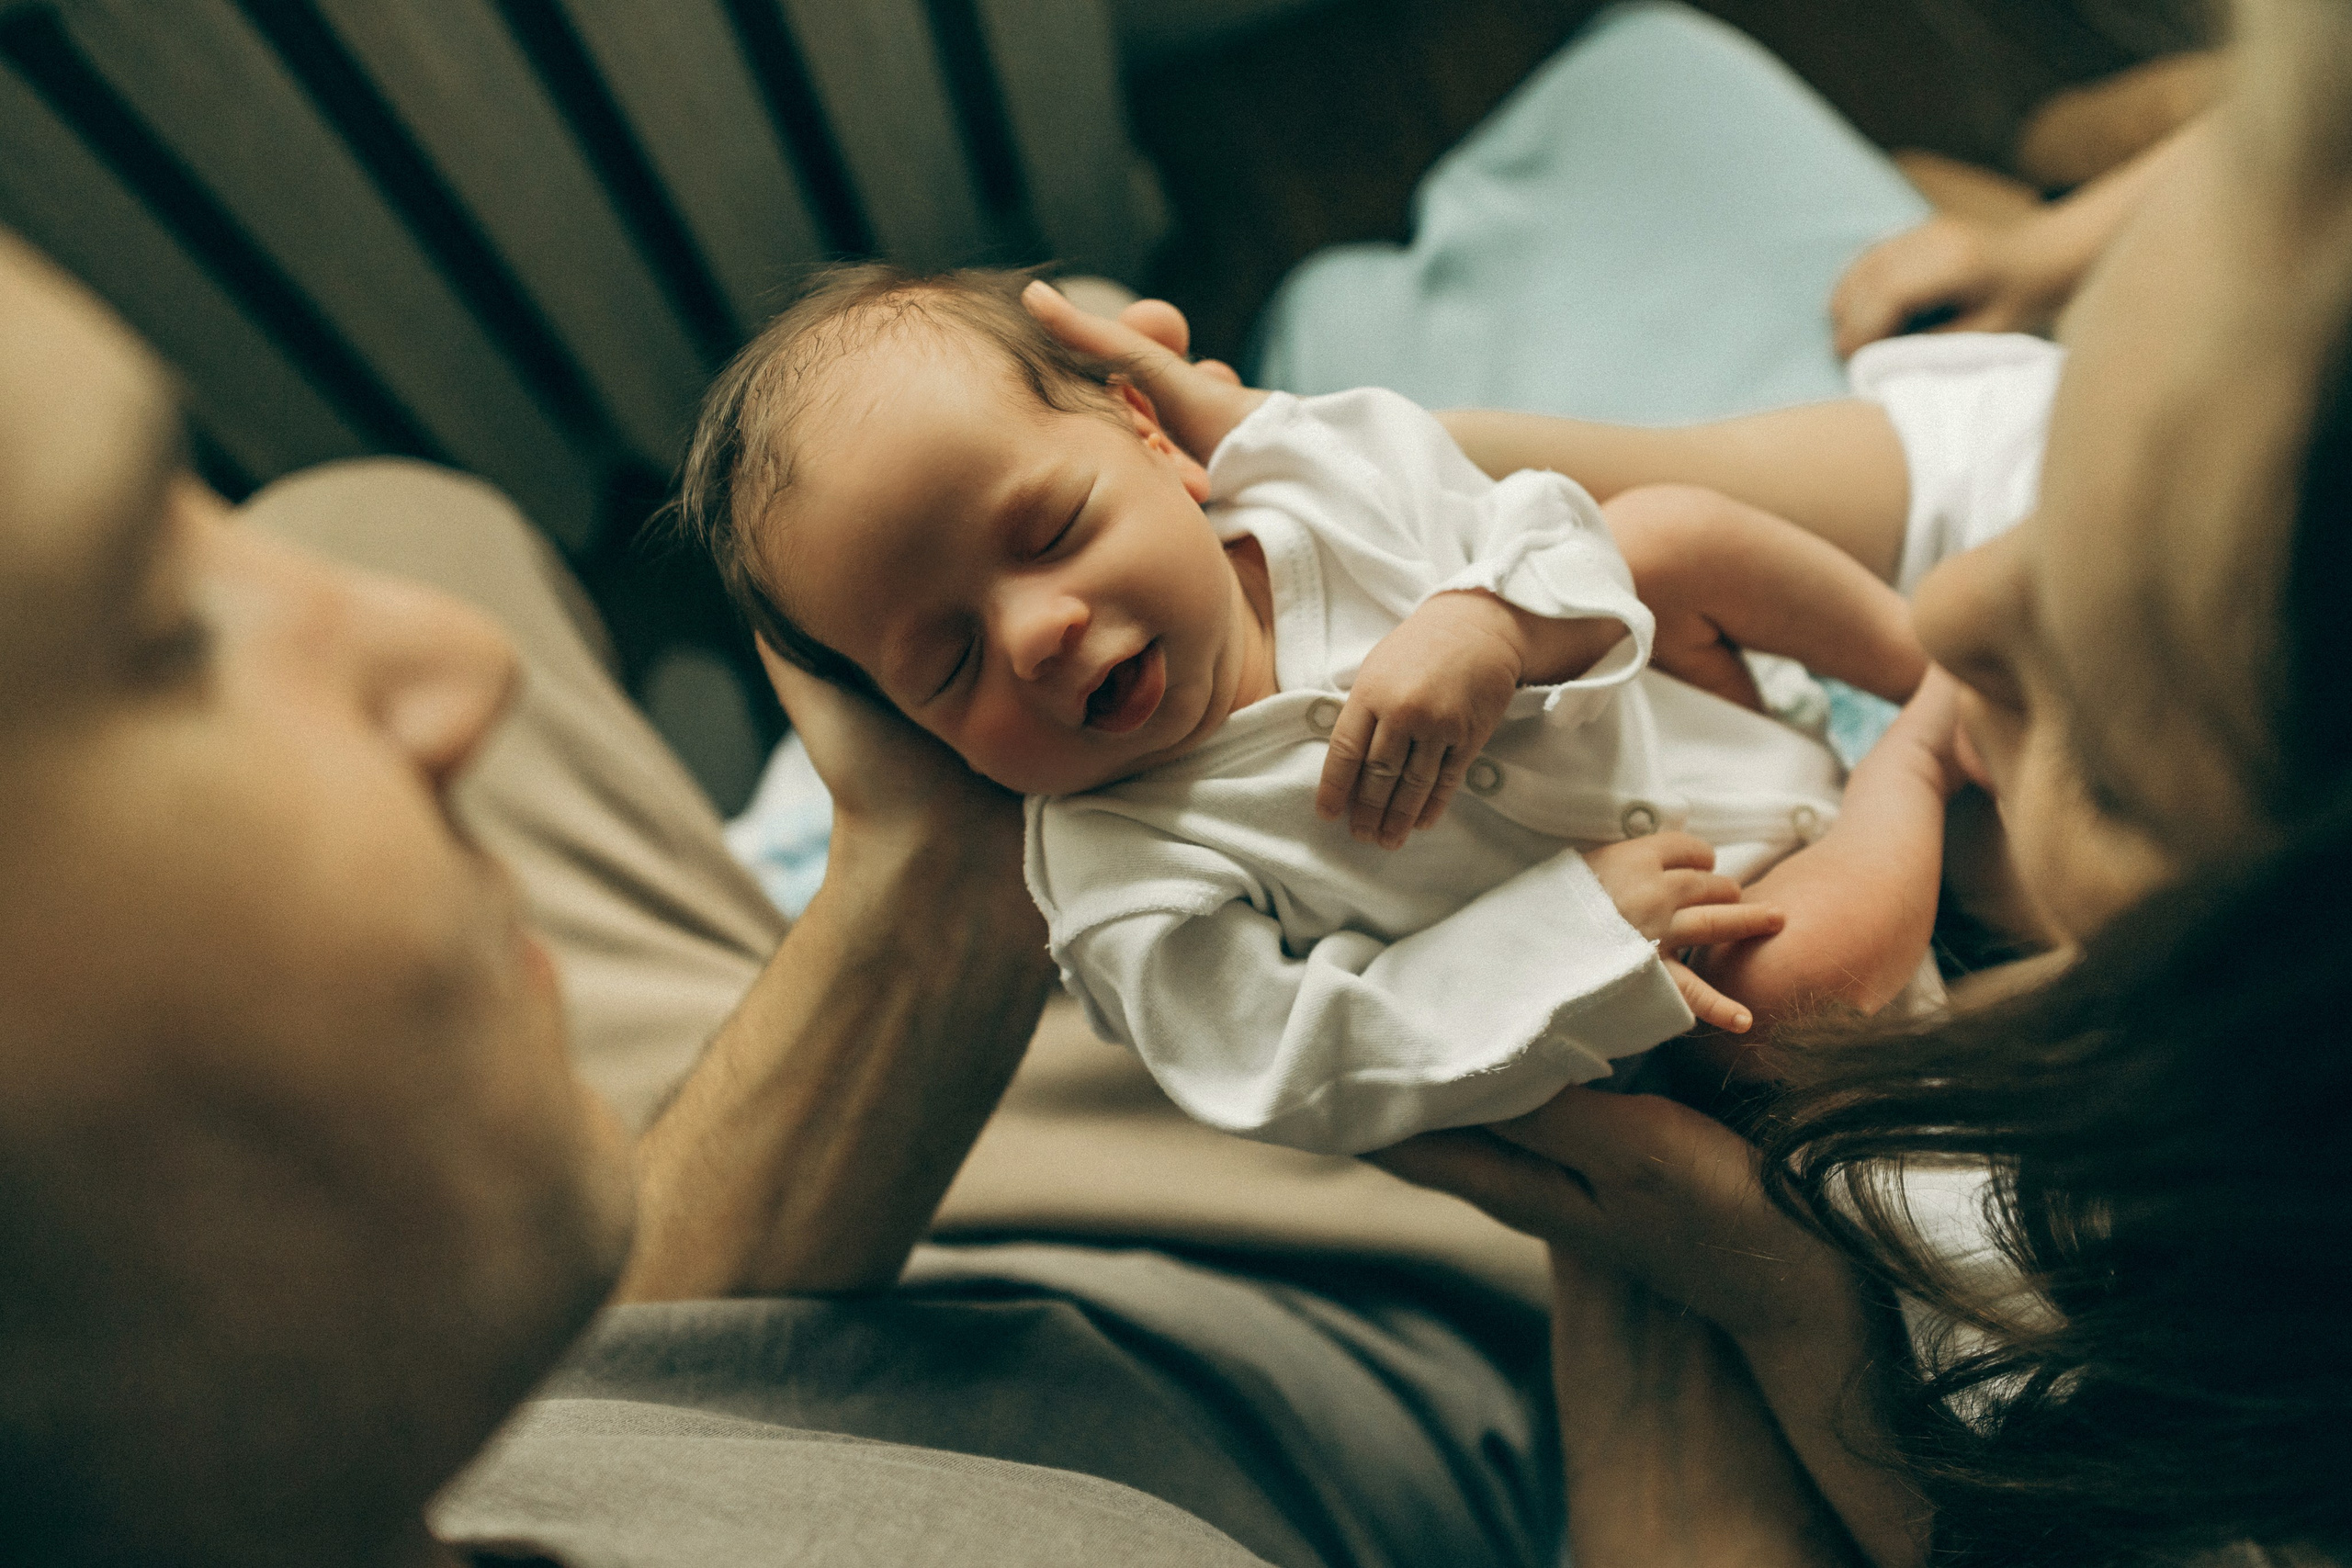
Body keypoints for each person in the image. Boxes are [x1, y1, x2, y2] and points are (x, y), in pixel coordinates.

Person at [672, 264, 1966, 1155]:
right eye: (947, 666)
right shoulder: (1123, 877)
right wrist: (1574, 934)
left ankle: (1928, 667)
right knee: (1800, 996)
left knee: (1662, 528)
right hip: (1717, 949)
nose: (1036, 632)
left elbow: (1547, 524)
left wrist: (1496, 619)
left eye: (1053, 528)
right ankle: (1928, 756)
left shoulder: (1313, 477)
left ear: (1149, 437)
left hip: (1708, 704)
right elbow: (1291, 1064)